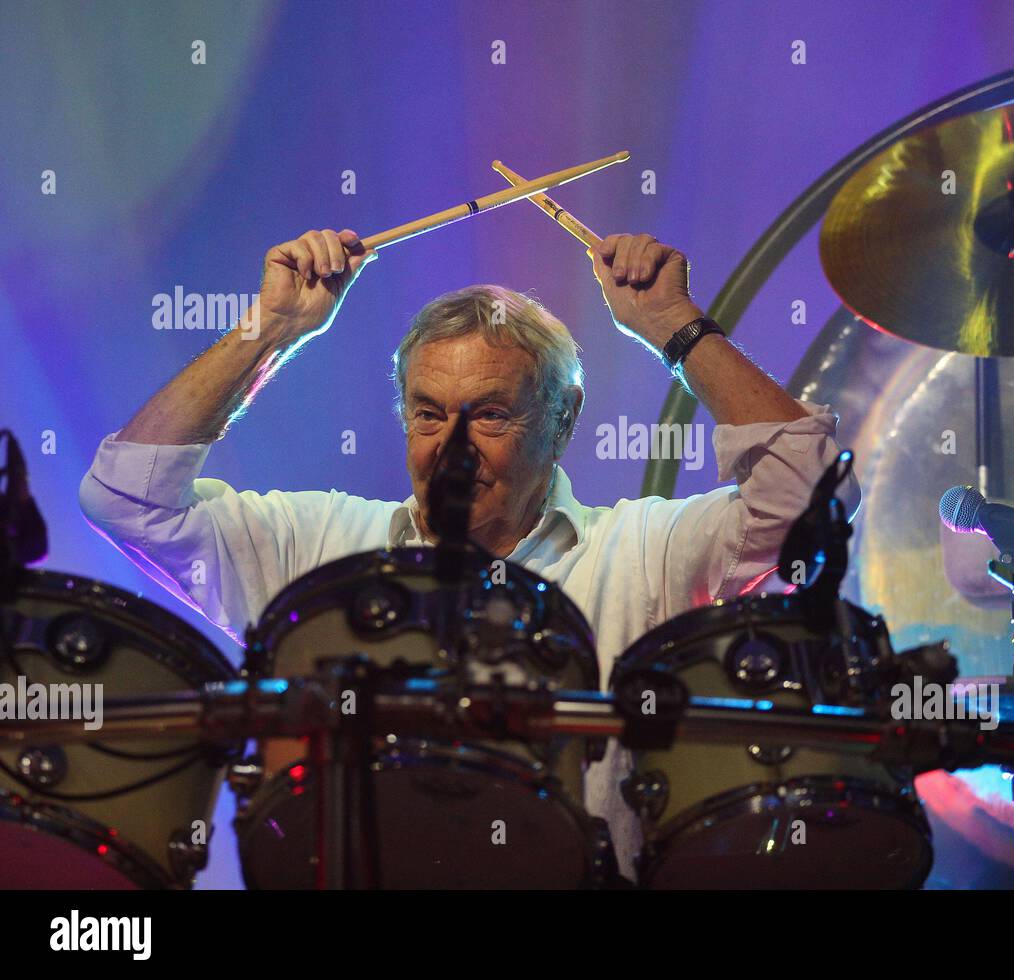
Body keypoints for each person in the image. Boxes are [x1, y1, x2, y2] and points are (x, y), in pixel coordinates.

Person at [78, 227, 861, 881]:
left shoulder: (644, 549)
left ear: (563, 420)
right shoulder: (318, 550)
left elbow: (810, 495)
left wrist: (674, 325)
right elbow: (125, 497)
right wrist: (271, 329)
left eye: (490, 414)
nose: (451, 448)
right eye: (427, 413)